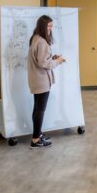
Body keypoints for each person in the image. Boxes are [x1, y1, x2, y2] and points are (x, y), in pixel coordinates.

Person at [27, 15, 65, 148]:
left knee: (37, 108)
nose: (51, 29)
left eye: (51, 26)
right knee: (40, 110)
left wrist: (52, 57)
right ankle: (36, 140)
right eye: (49, 26)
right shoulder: (42, 41)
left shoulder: (35, 38)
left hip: (36, 79)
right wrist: (58, 61)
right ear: (43, 26)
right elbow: (44, 63)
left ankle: (38, 134)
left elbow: (42, 58)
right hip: (41, 80)